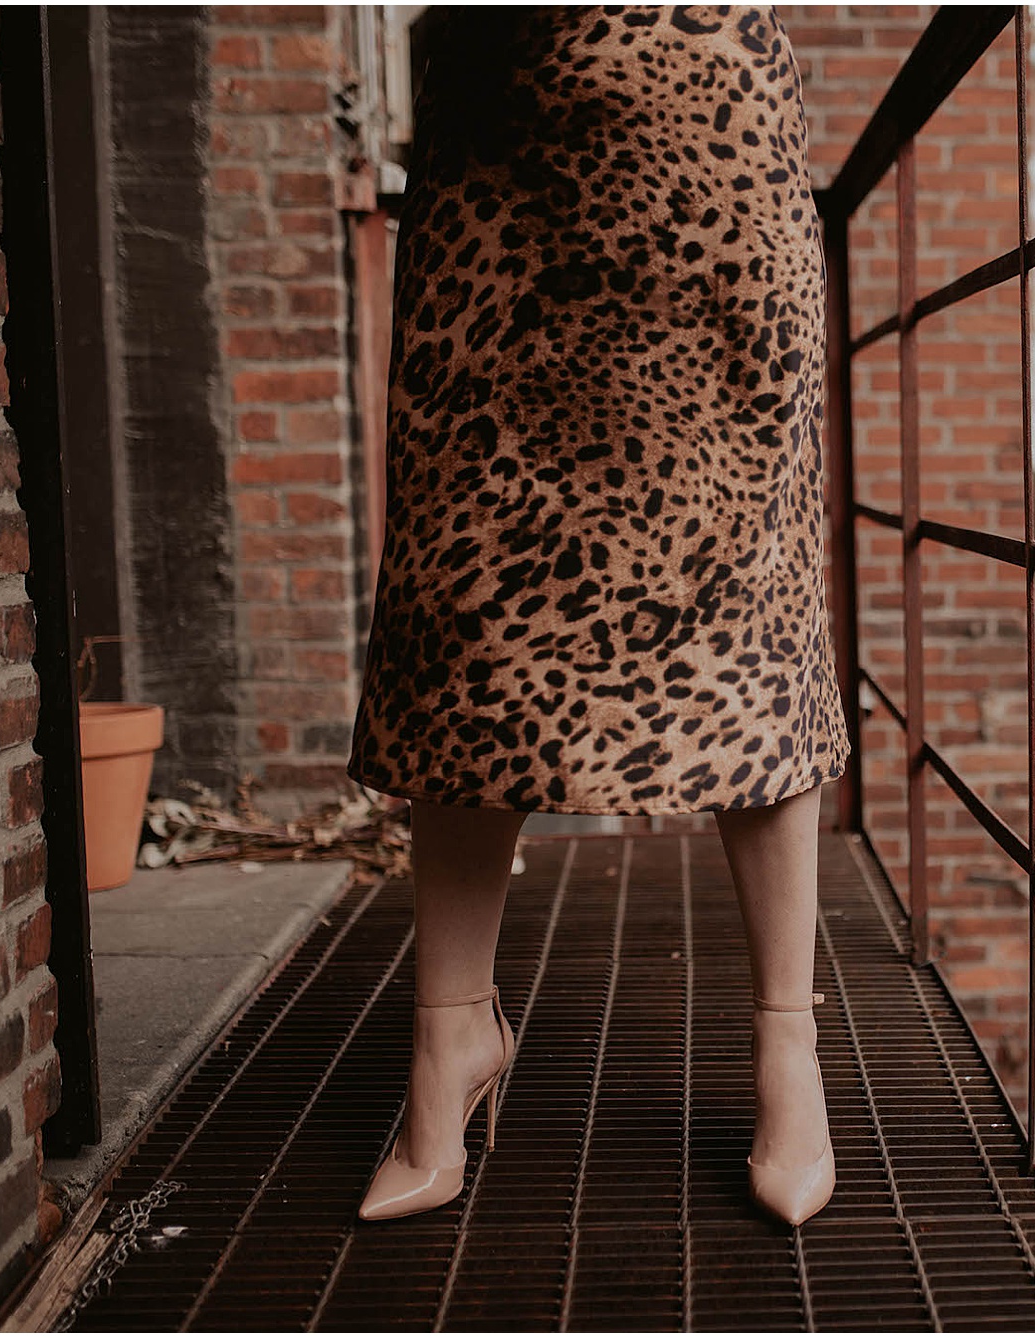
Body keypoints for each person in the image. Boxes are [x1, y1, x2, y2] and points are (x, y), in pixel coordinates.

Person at [343, 5, 850, 1228]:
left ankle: (790, 1047)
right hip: (495, 162)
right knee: (470, 603)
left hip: (711, 150)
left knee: (751, 610)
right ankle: (449, 1034)